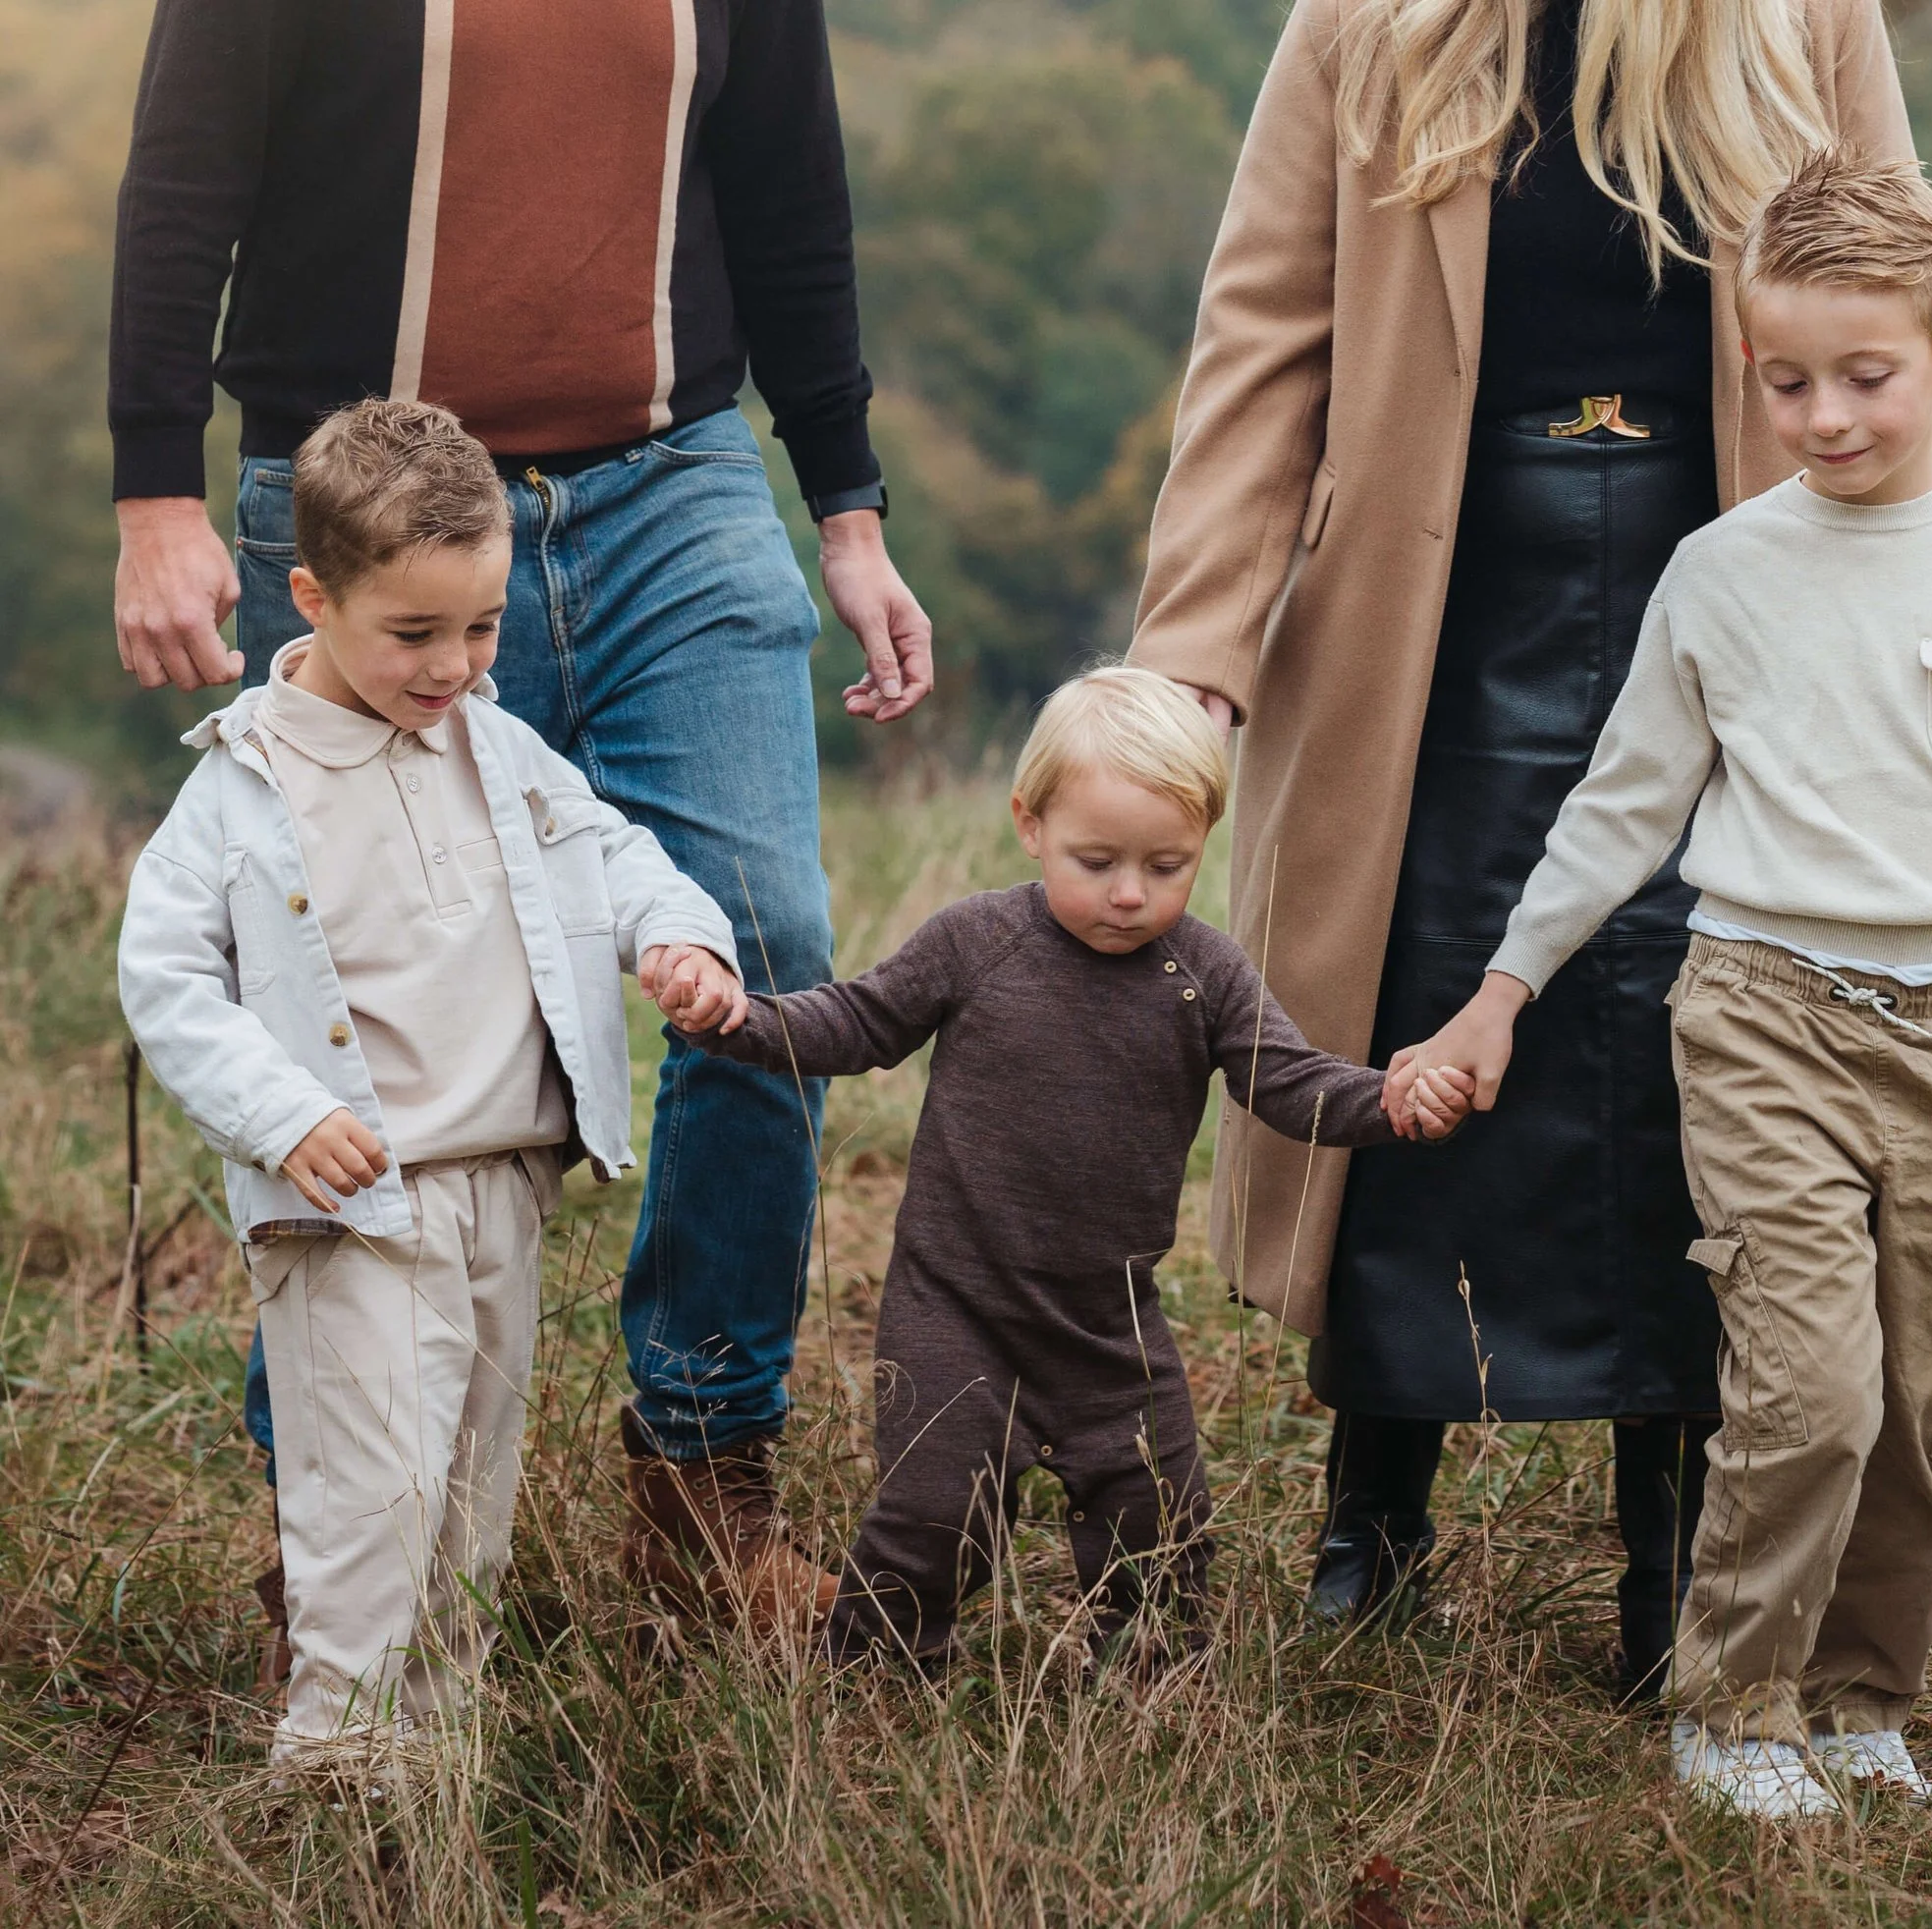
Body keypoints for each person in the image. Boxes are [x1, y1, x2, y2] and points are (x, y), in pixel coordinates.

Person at [1130, 0, 1932, 1684]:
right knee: (1414, 1011)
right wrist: (1185, 675)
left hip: (1739, 592)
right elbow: (1263, 347)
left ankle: (1678, 1544)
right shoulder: (1362, 26)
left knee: (1708, 1054)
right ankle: (1377, 1500)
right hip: (1429, 620)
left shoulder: (1807, 18)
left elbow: (1896, 303)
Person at [106, 0, 932, 1637]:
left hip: (670, 489)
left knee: (763, 942)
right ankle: (337, 1510)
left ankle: (703, 1475)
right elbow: (183, 172)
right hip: (364, 499)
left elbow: (788, 191)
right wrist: (156, 493)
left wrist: (846, 509)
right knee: (354, 1014)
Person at [1400, 153, 1932, 1817]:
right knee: (1809, 1382)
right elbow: (1623, 805)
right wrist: (1505, 985)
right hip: (1764, 1008)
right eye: (1784, 379)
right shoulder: (1723, 572)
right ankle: (1734, 1707)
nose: (1825, 416)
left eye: (1865, 376)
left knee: (1927, 1401)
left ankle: (1866, 1695)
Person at [117, 402, 751, 1768]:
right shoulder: (242, 788)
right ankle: (341, 1765)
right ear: (314, 594)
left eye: (481, 629)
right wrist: (285, 1119)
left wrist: (680, 937)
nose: (455, 665)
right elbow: (166, 982)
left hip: (500, 1188)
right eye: (415, 634)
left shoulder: (499, 749)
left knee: (472, 1492)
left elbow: (612, 850)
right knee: (371, 1493)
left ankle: (439, 1755)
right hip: (350, 1199)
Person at [676, 668, 1474, 1665]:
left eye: (1168, 864)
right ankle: (875, 1662)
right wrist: (742, 1019)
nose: (1131, 892)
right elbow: (859, 1020)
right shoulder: (976, 942)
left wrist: (1393, 1100)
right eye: (1095, 859)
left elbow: (1289, 1081)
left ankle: (1148, 1675)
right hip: (954, 1301)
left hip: (1108, 1317)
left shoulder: (1206, 972)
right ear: (1030, 824)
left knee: (1158, 1516)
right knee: (936, 1507)